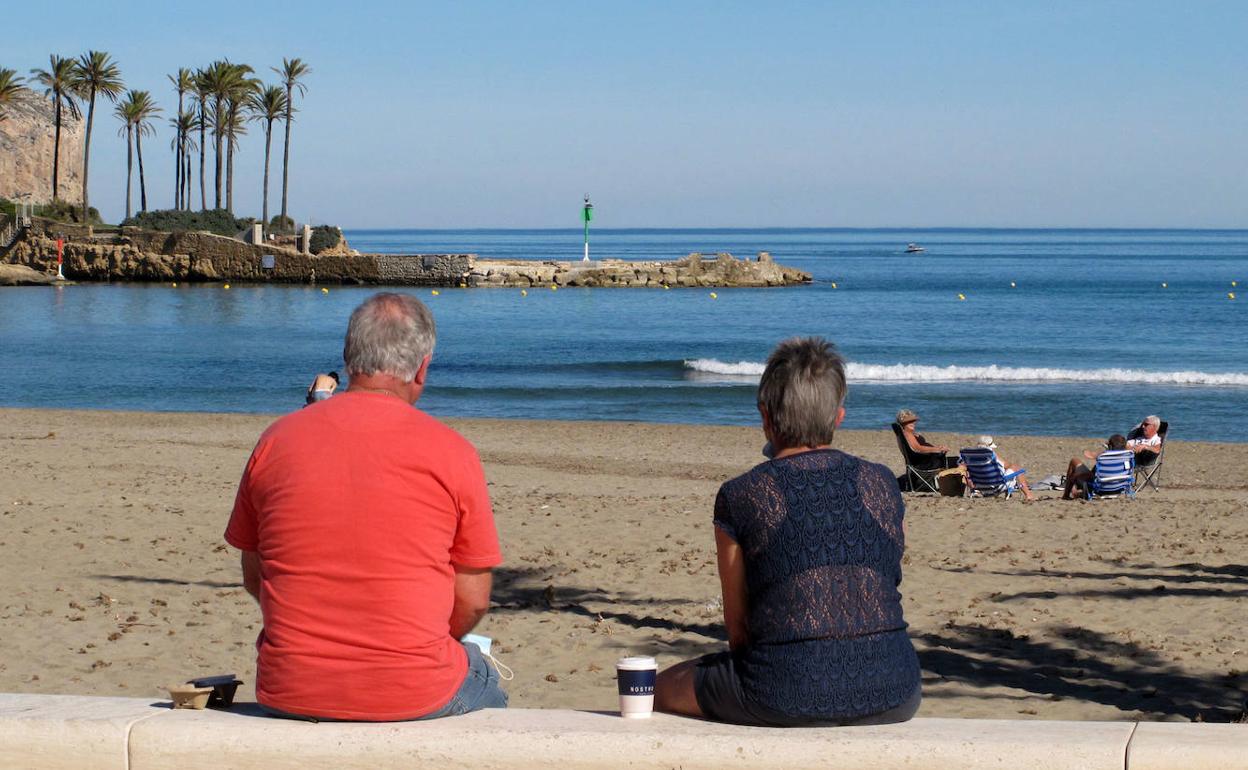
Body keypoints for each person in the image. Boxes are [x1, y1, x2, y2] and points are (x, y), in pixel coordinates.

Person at [225, 293, 507, 721]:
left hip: (289, 686)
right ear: (422, 368)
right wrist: (417, 645)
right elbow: (472, 600)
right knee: (485, 678)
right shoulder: (452, 452)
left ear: (349, 356)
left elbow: (255, 574)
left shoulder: (276, 441)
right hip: (414, 690)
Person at [654, 337, 921, 726]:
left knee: (655, 688)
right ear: (838, 417)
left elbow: (739, 628)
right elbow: (885, 578)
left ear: (765, 416)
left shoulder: (742, 494)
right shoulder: (882, 482)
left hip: (783, 692)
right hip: (896, 689)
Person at [1063, 434, 1128, 500]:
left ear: (1110, 446)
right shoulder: (1128, 456)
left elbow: (1086, 453)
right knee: (1080, 475)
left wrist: (1101, 452)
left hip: (1100, 489)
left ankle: (1066, 495)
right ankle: (1077, 492)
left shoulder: (1104, 456)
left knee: (1074, 461)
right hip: (1118, 489)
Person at [971, 436, 1036, 502]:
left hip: (981, 488)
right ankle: (1028, 495)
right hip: (995, 487)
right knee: (1016, 468)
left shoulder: (970, 456)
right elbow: (1007, 465)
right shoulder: (991, 455)